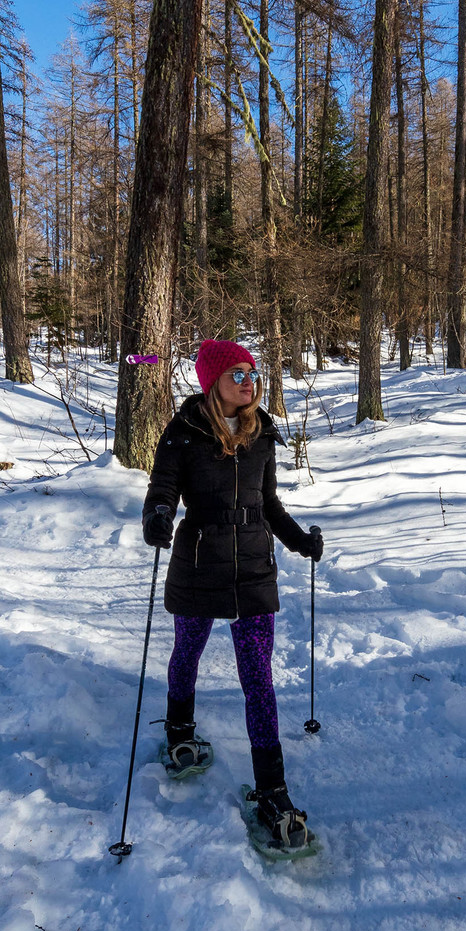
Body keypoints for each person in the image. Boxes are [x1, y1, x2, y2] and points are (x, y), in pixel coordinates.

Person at [141, 338, 323, 851]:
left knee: (258, 678)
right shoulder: (182, 433)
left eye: (252, 372)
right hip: (199, 563)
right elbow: (162, 490)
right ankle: (179, 726)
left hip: (253, 571)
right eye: (237, 373)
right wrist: (156, 518)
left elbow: (268, 503)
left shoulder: (261, 431)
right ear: (212, 380)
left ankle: (274, 790)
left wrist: (299, 541)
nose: (249, 380)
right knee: (188, 652)